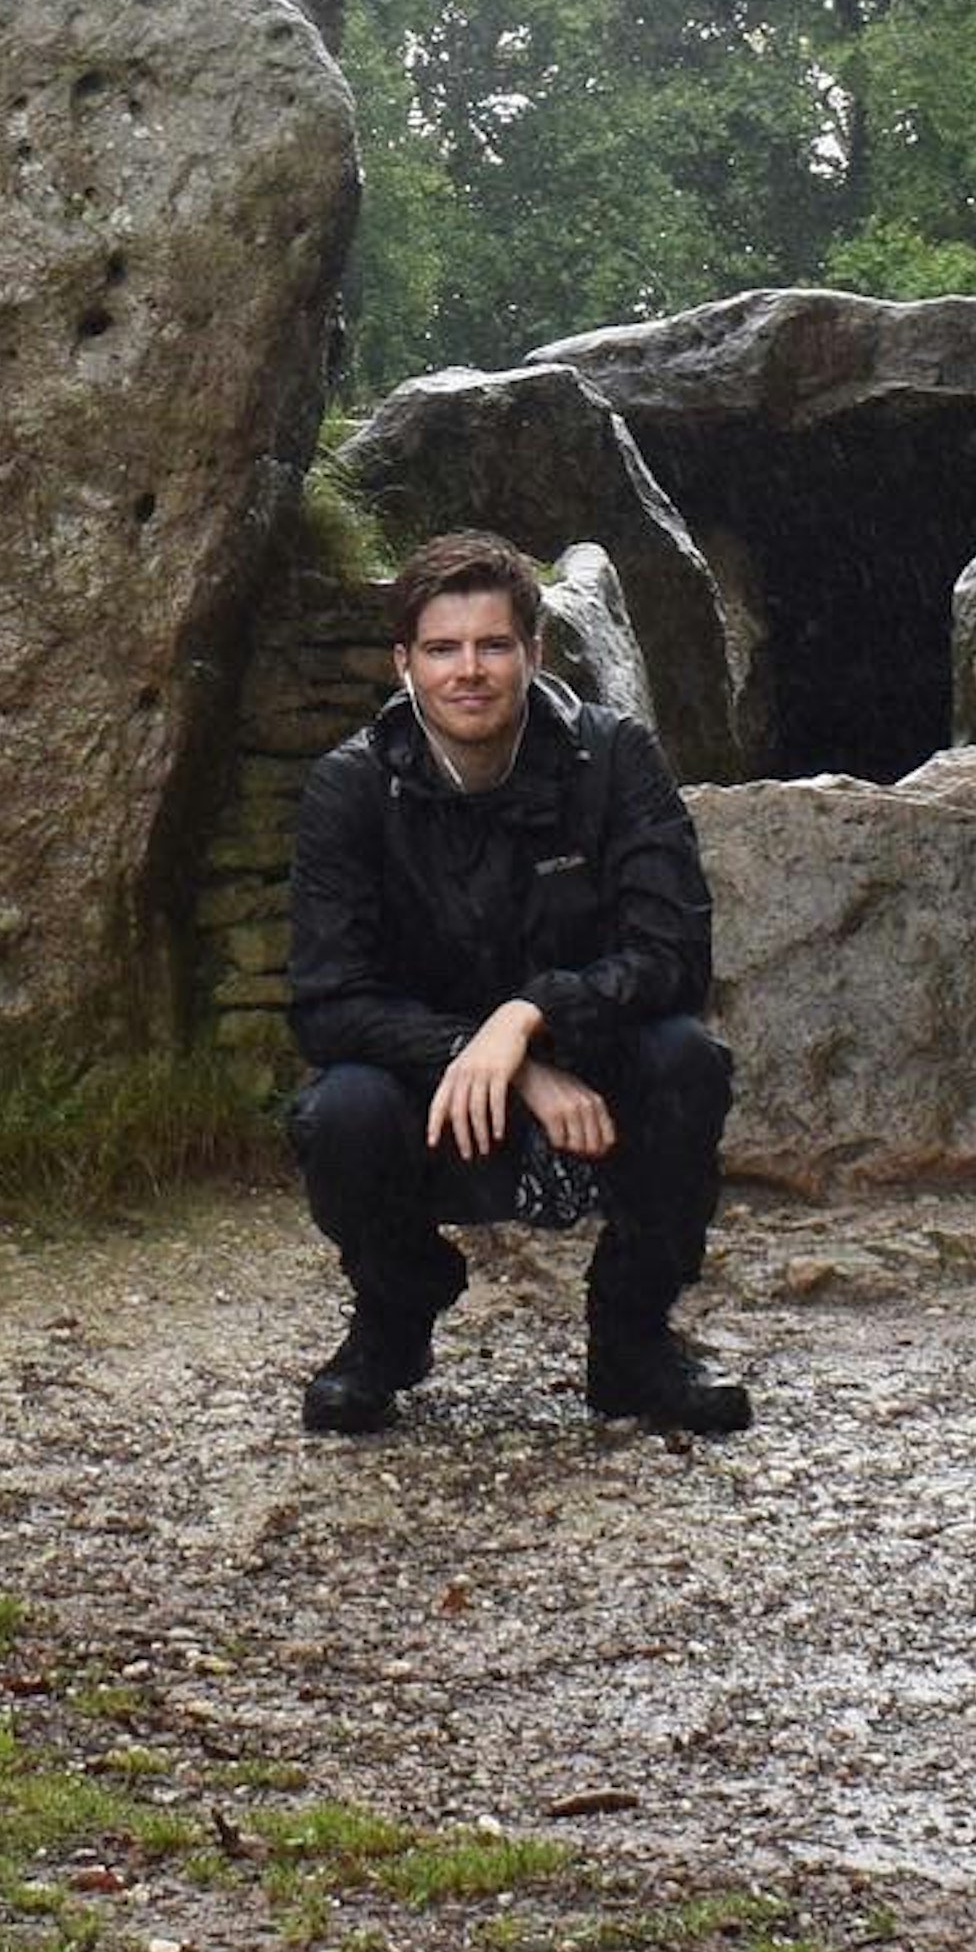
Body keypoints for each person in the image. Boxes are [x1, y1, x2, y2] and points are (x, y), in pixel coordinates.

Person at [284, 529, 749, 1437]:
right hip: (432, 1087)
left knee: (688, 1058)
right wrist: (492, 1052)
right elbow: (328, 1001)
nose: (471, 671)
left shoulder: (615, 759)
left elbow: (674, 956)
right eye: (443, 649)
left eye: (494, 646)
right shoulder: (349, 789)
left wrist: (534, 1015)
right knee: (338, 1112)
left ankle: (635, 1341)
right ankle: (392, 1319)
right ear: (403, 664)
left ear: (535, 654)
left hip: (598, 1068)